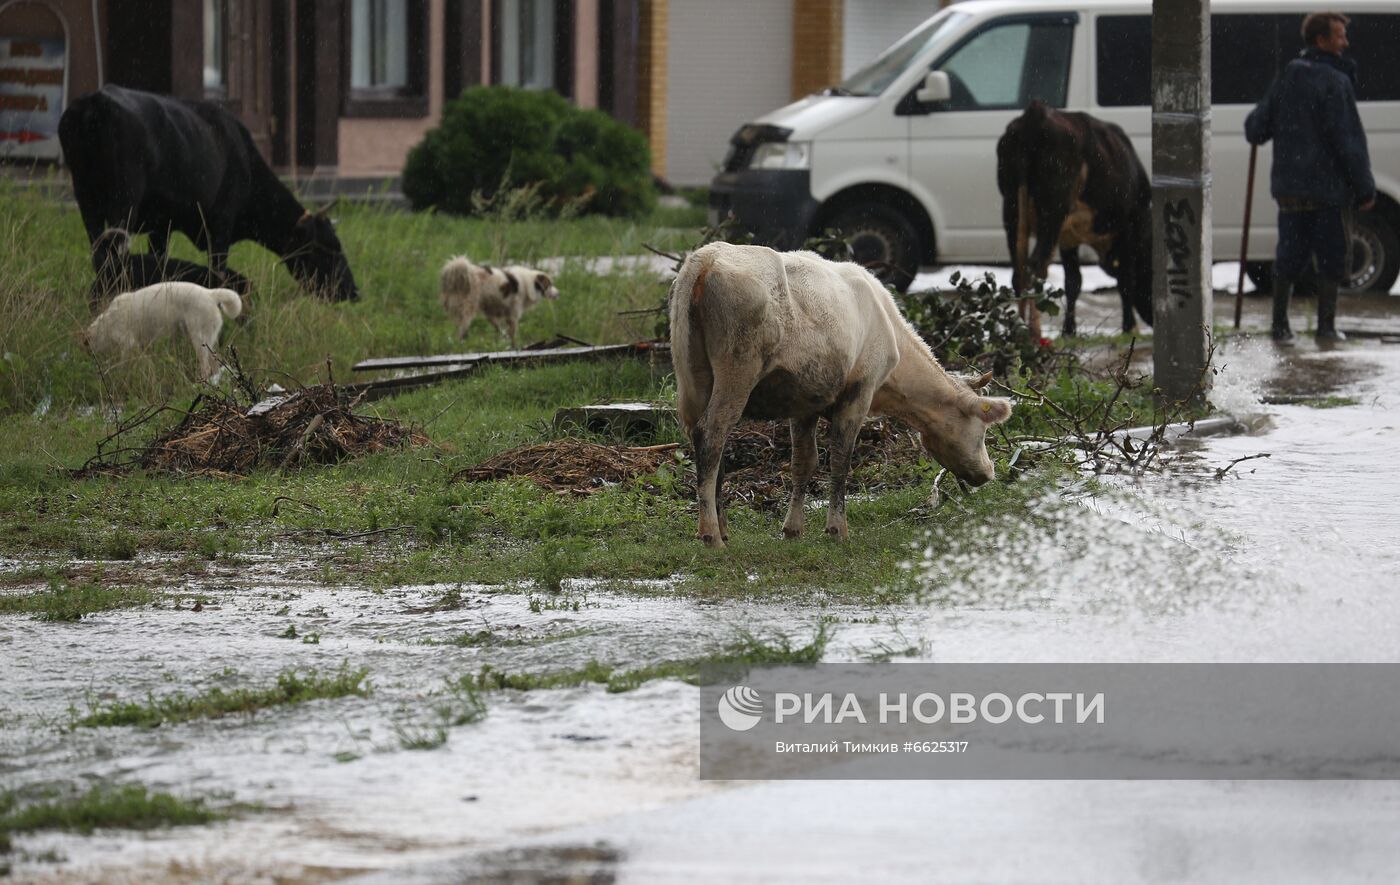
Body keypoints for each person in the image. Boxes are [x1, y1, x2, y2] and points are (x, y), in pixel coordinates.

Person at [1245, 11, 1375, 342]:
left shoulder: (1288, 75)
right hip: (1328, 190)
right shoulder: (1336, 82)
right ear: (1321, 40)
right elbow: (1348, 141)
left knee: (1289, 256)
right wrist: (1364, 188)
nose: (1346, 41)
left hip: (1290, 190)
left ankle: (1279, 327)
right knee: (1332, 259)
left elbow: (1256, 128)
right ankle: (1326, 328)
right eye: (1340, 35)